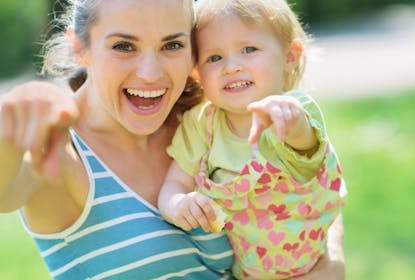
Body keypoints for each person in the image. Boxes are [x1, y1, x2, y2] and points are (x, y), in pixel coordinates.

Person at [0, 0, 344, 279]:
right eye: (124, 46)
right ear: (80, 47)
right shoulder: (62, 151)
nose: (151, 74)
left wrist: (330, 257)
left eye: (172, 45)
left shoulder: (201, 120)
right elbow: (7, 190)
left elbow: (303, 183)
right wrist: (10, 128)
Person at [158, 0, 347, 279]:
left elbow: (307, 147)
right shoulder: (201, 125)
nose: (231, 67)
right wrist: (176, 204)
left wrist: (292, 125)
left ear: (289, 56)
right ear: (197, 73)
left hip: (310, 268)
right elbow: (176, 182)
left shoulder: (294, 110)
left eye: (249, 49)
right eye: (214, 58)